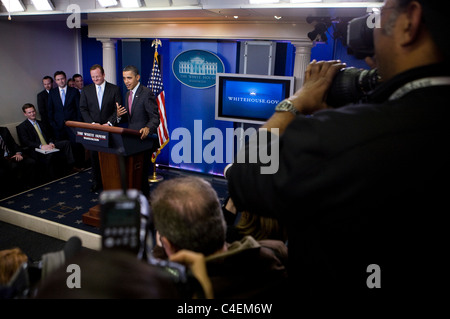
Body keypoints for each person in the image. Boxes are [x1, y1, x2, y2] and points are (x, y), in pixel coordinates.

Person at [226, 0, 450, 296]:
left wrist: (294, 103)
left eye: (381, 14)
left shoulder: (345, 136)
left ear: (410, 21)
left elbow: (246, 174)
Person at [150, 176, 288, 299]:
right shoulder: (275, 255)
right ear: (220, 223)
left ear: (169, 245)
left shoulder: (164, 290)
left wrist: (160, 253)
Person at [116, 65, 160, 197]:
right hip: (131, 141)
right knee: (131, 175)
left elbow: (155, 117)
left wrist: (148, 128)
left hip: (143, 141)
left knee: (141, 177)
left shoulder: (146, 93)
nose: (126, 81)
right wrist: (118, 115)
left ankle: (145, 202)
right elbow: (131, 118)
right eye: (124, 78)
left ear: (137, 77)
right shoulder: (127, 94)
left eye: (129, 78)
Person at [80, 64, 122, 192]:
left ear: (103, 75)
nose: (95, 79)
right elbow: (83, 109)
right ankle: (96, 182)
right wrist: (92, 124)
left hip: (109, 129)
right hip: (93, 130)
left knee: (110, 158)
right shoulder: (86, 90)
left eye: (97, 76)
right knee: (94, 158)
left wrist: (109, 123)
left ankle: (111, 182)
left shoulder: (114, 89)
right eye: (93, 77)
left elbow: (118, 109)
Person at [17, 103, 76, 182]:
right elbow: (26, 142)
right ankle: (52, 178)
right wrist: (41, 146)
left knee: (66, 143)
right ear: (25, 114)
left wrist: (51, 142)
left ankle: (71, 167)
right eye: (29, 112)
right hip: (37, 149)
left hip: (49, 145)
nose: (32, 114)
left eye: (33, 111)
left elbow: (50, 135)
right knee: (50, 154)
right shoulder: (22, 127)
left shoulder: (41, 123)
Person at [47, 70, 84, 168]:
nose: (61, 81)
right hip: (58, 126)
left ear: (65, 78)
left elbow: (78, 109)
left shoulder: (74, 91)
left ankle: (79, 166)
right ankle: (67, 168)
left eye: (62, 79)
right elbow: (50, 111)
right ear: (55, 81)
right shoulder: (52, 93)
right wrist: (53, 124)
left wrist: (77, 124)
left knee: (76, 146)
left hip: (72, 125)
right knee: (62, 148)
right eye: (58, 80)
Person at [0, 127, 36, 198]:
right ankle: (16, 191)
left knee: (31, 162)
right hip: (1, 160)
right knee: (13, 167)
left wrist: (18, 153)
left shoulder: (4, 130)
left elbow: (13, 144)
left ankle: (29, 185)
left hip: (12, 156)